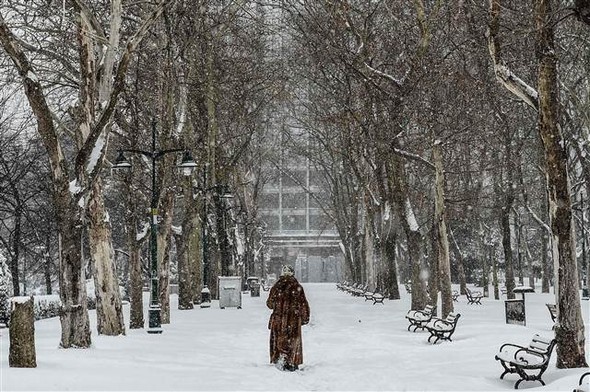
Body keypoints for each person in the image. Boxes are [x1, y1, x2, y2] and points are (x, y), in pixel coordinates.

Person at [266, 265, 310, 371]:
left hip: (279, 319)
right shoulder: (297, 287)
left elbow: (269, 304)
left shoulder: (277, 287)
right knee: (293, 340)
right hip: (293, 319)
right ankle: (292, 360)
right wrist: (304, 318)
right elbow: (303, 304)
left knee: (279, 339)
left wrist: (278, 306)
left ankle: (280, 357)